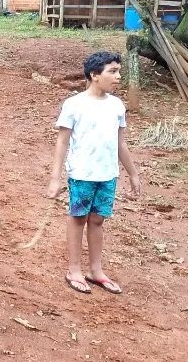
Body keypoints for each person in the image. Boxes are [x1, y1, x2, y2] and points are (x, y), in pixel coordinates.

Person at [45, 51, 142, 294]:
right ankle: (74, 269)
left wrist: (132, 173)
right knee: (78, 219)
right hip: (82, 174)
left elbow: (121, 143)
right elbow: (62, 143)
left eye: (119, 71)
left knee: (98, 221)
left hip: (107, 175)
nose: (118, 76)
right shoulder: (74, 105)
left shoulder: (117, 106)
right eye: (113, 71)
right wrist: (55, 179)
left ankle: (96, 270)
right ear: (94, 75)